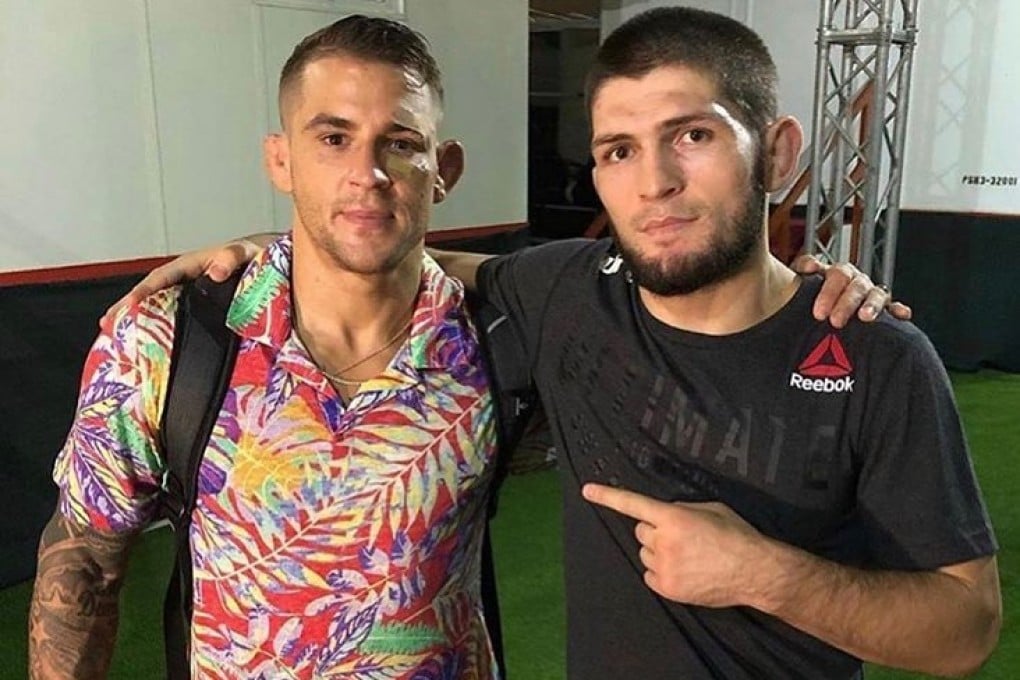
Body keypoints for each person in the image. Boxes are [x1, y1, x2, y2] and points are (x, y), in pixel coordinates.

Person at [98, 8, 964, 680]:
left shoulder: (875, 355)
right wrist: (263, 253)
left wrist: (766, 575)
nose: (655, 181)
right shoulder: (571, 294)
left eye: (692, 136)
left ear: (776, 150)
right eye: (620, 151)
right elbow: (382, 243)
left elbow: (965, 630)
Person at [30, 16, 504, 679]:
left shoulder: (497, 339)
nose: (366, 172)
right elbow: (82, 563)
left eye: (399, 143)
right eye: (333, 138)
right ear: (281, 159)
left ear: (443, 168)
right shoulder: (167, 339)